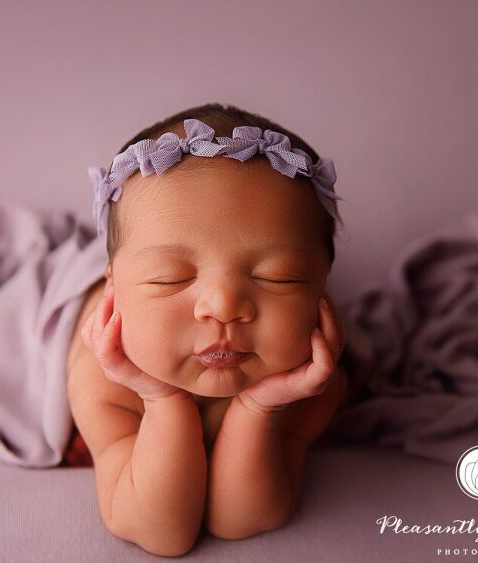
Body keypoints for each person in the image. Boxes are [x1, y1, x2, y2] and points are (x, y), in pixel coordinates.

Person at [64, 103, 349, 556]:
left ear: (322, 292)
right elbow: (161, 532)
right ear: (113, 289)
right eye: (169, 278)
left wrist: (260, 407)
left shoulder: (310, 382)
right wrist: (160, 399)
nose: (222, 308)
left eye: (279, 277)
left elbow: (240, 520)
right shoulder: (104, 376)